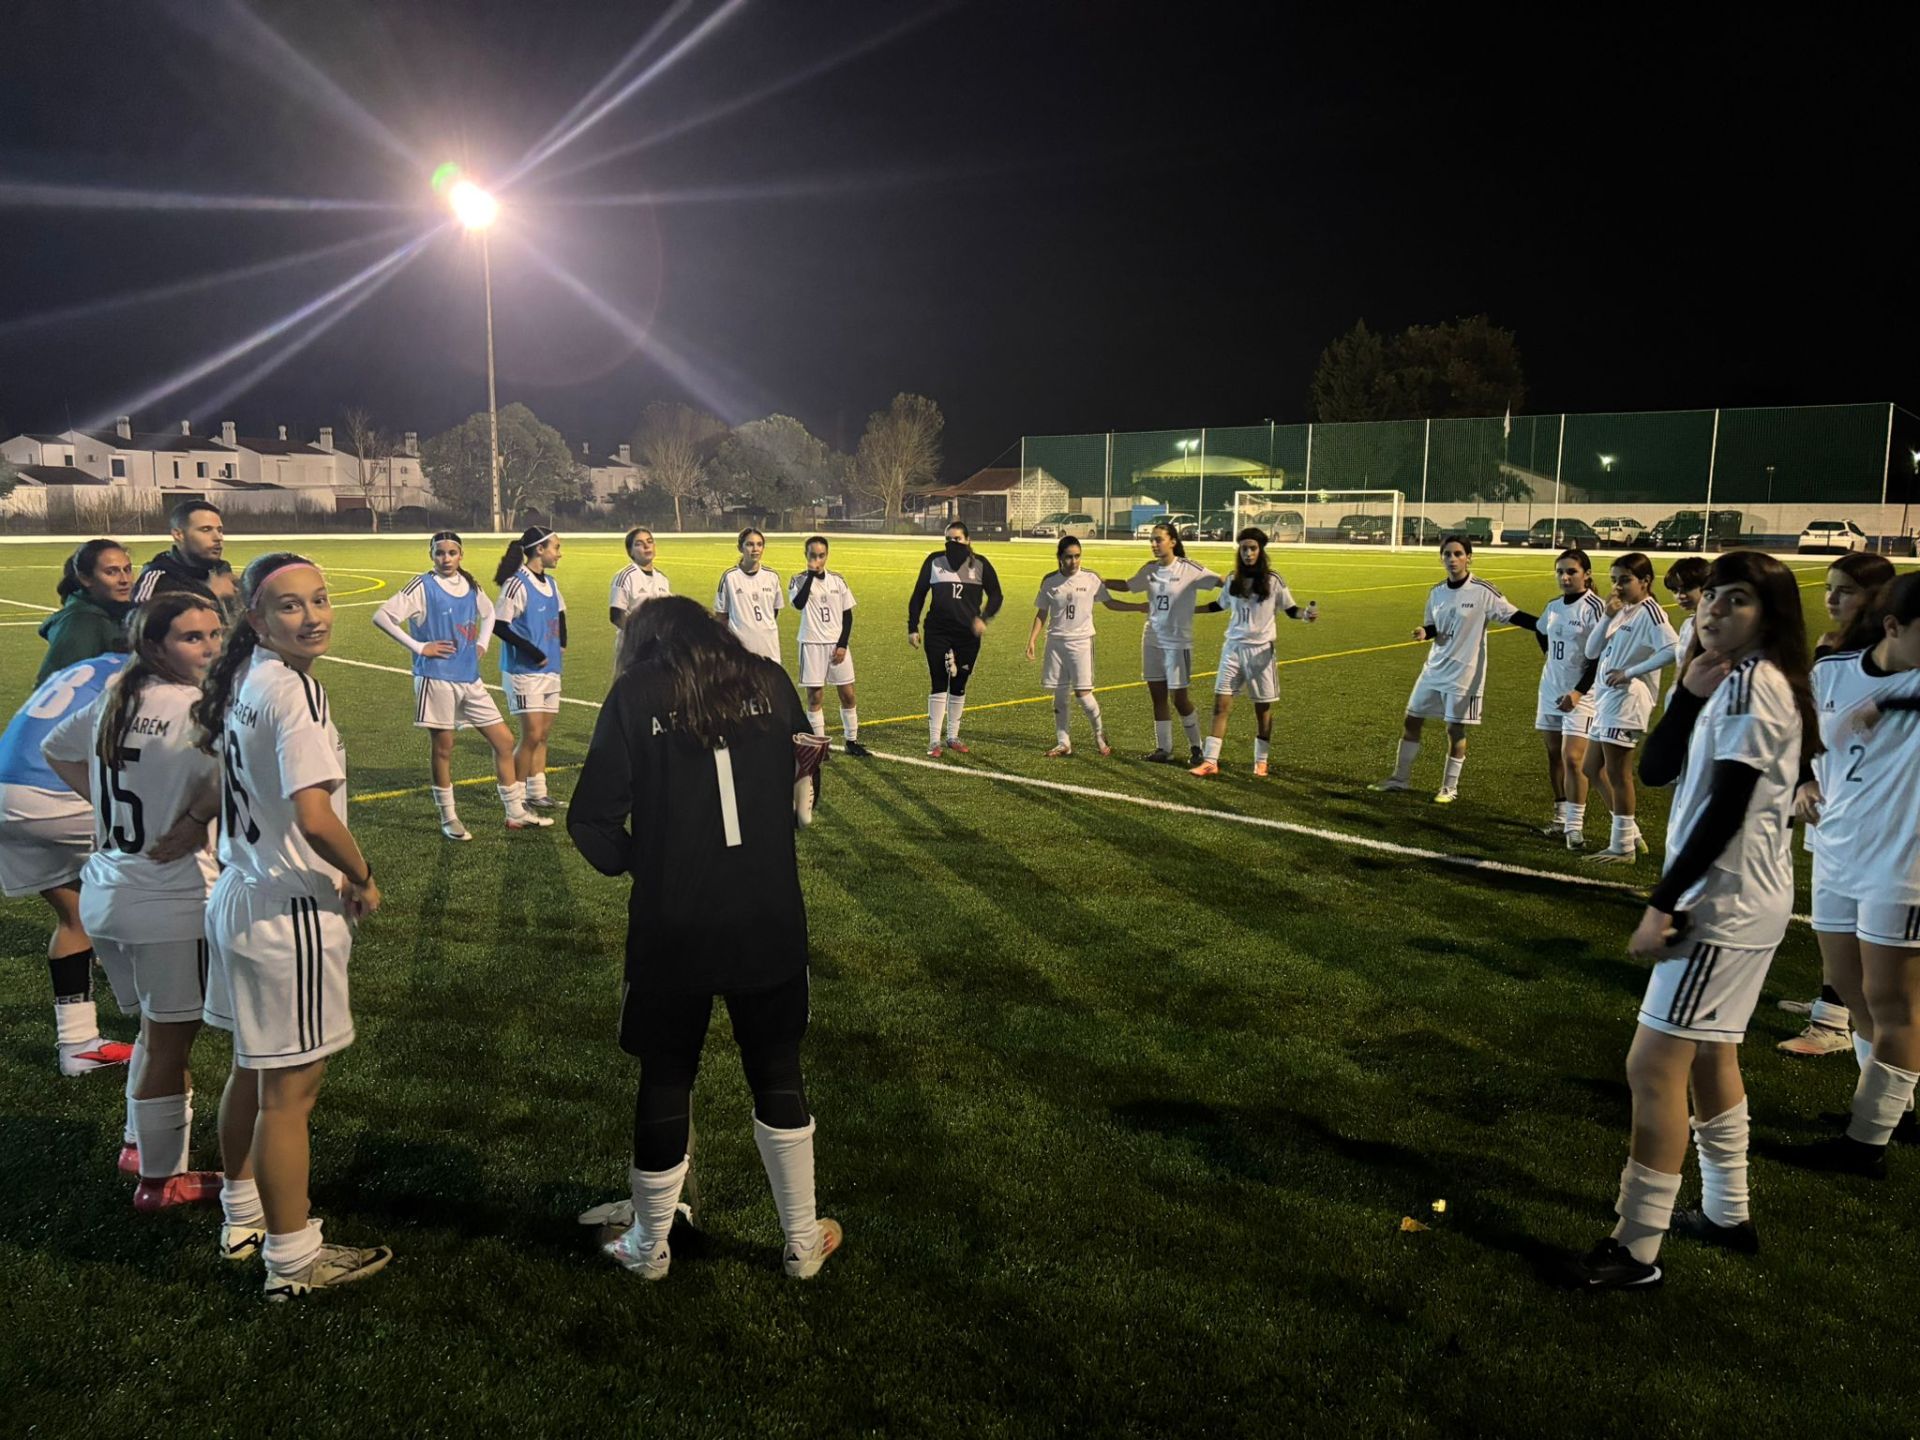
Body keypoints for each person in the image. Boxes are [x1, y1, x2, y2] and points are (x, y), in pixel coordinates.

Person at [568, 597, 842, 1281]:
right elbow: (809, 757)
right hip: (767, 912)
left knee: (666, 1073)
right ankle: (803, 1241)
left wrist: (647, 859)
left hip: (675, 919)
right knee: (777, 1069)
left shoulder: (635, 693)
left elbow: (591, 824)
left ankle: (648, 1246)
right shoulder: (769, 679)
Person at [1562, 551, 1816, 1289]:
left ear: (1769, 616)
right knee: (1711, 1057)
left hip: (1721, 902)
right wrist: (1689, 695)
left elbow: (1725, 811)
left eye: (1736, 601)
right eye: (1711, 597)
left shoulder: (1755, 689)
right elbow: (1656, 770)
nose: (1712, 610)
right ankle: (1729, 1212)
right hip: (1745, 898)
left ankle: (1636, 1248)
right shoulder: (1733, 682)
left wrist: (1662, 903)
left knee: (1653, 1065)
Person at [193, 552, 389, 1300]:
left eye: (320, 600)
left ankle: (242, 1213)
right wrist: (364, 878)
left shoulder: (244, 678)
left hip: (240, 895)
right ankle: (293, 1258)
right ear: (256, 619)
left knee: (253, 1065)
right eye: (290, 607)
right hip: (288, 910)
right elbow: (313, 817)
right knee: (289, 1095)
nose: (313, 616)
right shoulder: (293, 692)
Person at [40, 593, 226, 1211]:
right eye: (192, 637)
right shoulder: (199, 708)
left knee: (155, 1025)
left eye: (214, 634)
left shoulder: (121, 692)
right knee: (172, 1040)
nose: (209, 647)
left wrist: (113, 812)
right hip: (166, 900)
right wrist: (194, 818)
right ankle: (161, 1180)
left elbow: (57, 750)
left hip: (109, 889)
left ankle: (138, 1145)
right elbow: (243, 784)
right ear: (155, 645)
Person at [1787, 571, 1920, 1177]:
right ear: (1893, 627)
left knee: (1895, 1004)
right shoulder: (1831, 672)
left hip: (1905, 865)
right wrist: (1803, 783)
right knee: (1851, 986)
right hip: (1837, 852)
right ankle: (1894, 1109)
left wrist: (1887, 701)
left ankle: (1865, 1145)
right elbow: (1800, 743)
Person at [1778, 550, 1899, 1055]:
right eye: (1829, 587)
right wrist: (1804, 781)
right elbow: (1811, 727)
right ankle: (1831, 1011)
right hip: (1831, 809)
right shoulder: (1831, 652)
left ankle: (1835, 1025)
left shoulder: (1900, 661)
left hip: (1883, 826)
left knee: (1870, 943)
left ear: (1879, 600)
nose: (1830, 598)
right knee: (1835, 922)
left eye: (1844, 590)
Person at [0, 649, 134, 1080]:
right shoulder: (148, 676)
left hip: (8, 793)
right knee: (178, 862)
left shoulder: (95, 663)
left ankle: (77, 1045)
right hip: (50, 800)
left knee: (76, 915)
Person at [373, 531, 546, 837]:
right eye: (440, 553)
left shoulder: (470, 583)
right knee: (443, 748)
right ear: (432, 556)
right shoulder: (422, 585)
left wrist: (481, 642)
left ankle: (515, 812)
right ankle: (448, 817)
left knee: (504, 741)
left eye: (452, 553)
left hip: (470, 678)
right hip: (436, 678)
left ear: (461, 554)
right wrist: (419, 646)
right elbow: (382, 617)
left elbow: (489, 612)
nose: (446, 558)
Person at [1369, 535, 1539, 803]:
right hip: (1434, 668)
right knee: (1412, 720)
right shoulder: (1436, 592)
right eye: (1447, 554)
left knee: (1455, 729)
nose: (1452, 559)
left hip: (1464, 673)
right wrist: (1425, 631)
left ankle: (1449, 788)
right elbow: (1433, 625)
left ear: (1469, 557)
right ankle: (1399, 779)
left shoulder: (1483, 591)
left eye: (1458, 554)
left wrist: (1544, 627)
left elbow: (1513, 614)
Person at [1189, 527, 1317, 777]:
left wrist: (1306, 615)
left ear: (1261, 550)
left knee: (1262, 709)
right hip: (1233, 650)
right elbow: (1218, 605)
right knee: (1220, 705)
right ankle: (1210, 761)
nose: (1248, 553)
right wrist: (1189, 610)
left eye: (1253, 548)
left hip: (1261, 653)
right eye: (1244, 548)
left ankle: (1261, 760)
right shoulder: (1233, 579)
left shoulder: (1273, 580)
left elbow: (1291, 610)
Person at [1582, 553, 1679, 863]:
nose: (1617, 586)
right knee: (1590, 769)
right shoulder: (1622, 610)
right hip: (1607, 700)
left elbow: (1673, 649)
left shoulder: (1651, 612)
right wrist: (1607, 616)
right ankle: (1629, 831)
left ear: (1645, 582)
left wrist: (1630, 672)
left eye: (1624, 579)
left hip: (1628, 701)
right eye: (1614, 580)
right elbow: (1591, 650)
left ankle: (1622, 845)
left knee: (1617, 772)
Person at [1104, 521, 1223, 765]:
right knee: (1157, 696)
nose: (1154, 544)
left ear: (1173, 541)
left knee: (1179, 698)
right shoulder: (1149, 570)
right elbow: (1127, 586)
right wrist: (1100, 581)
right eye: (1152, 540)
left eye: (1158, 539)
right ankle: (1163, 748)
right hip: (1151, 639)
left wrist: (1246, 582)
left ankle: (1196, 747)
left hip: (1177, 643)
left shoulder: (1189, 569)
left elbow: (1222, 581)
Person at [1025, 535, 1144, 757]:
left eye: (1077, 556)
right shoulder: (1049, 581)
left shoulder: (1091, 579)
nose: (1074, 561)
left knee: (1083, 694)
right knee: (1060, 695)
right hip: (1055, 643)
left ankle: (1100, 735)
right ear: (1060, 558)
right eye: (1069, 557)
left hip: (1080, 643)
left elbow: (1110, 603)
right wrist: (1032, 639)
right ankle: (1064, 743)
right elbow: (1042, 612)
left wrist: (1137, 607)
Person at [907, 520, 1003, 758]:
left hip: (967, 635)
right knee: (939, 681)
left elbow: (996, 595)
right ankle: (934, 741)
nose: (952, 543)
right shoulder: (934, 561)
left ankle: (952, 736)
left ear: (968, 540)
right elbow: (918, 595)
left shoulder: (980, 564)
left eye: (957, 539)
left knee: (959, 684)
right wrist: (913, 626)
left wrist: (984, 618)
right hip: (938, 631)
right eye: (948, 539)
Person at [1534, 549, 1606, 848]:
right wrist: (1550, 659)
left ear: (1586, 574)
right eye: (1560, 571)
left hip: (1582, 695)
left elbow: (1602, 654)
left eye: (1571, 572)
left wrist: (1578, 691)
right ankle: (1560, 816)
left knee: (1574, 759)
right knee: (1555, 755)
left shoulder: (1596, 608)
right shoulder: (1552, 607)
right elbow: (1540, 632)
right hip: (1550, 690)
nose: (1565, 577)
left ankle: (1575, 828)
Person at [493, 526, 568, 813]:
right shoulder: (516, 583)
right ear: (540, 550)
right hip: (524, 670)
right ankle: (517, 796)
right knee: (532, 735)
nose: (559, 554)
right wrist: (533, 651)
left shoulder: (551, 583)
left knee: (543, 735)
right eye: (556, 548)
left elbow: (560, 611)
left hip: (550, 669)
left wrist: (562, 641)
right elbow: (501, 625)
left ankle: (538, 791)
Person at [789, 535, 868, 756]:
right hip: (811, 644)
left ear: (827, 555)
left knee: (848, 694)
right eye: (813, 555)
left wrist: (842, 645)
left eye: (821, 555)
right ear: (806, 555)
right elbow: (798, 603)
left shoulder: (838, 581)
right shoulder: (798, 580)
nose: (817, 559)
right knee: (815, 697)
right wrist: (812, 577)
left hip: (836, 646)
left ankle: (851, 741)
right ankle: (819, 747)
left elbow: (848, 616)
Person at [1606, 556, 1709, 714]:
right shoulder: (1688, 625)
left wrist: (1629, 673)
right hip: (1680, 702)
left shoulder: (1720, 629)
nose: (1680, 596)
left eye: (1687, 589)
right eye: (1675, 591)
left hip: (1705, 707)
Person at [36, 538, 134, 683]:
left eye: (127, 569)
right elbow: (55, 688)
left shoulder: (118, 613)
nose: (124, 579)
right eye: (111, 572)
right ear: (85, 578)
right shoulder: (81, 623)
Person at [131, 499, 238, 614]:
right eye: (206, 529)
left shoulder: (221, 570)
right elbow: (136, 627)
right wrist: (211, 594)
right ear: (179, 535)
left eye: (219, 530)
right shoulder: (157, 579)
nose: (218, 537)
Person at [714, 528, 784, 664]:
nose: (755, 549)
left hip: (769, 647)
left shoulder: (772, 577)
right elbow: (721, 616)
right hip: (740, 649)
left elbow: (774, 611)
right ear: (740, 548)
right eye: (750, 544)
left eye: (759, 544)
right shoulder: (730, 577)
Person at [608, 527, 670, 642]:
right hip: (634, 648)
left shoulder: (662, 579)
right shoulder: (625, 576)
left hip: (659, 648)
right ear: (630, 551)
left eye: (649, 542)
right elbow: (616, 615)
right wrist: (642, 634)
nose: (646, 546)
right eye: (639, 544)